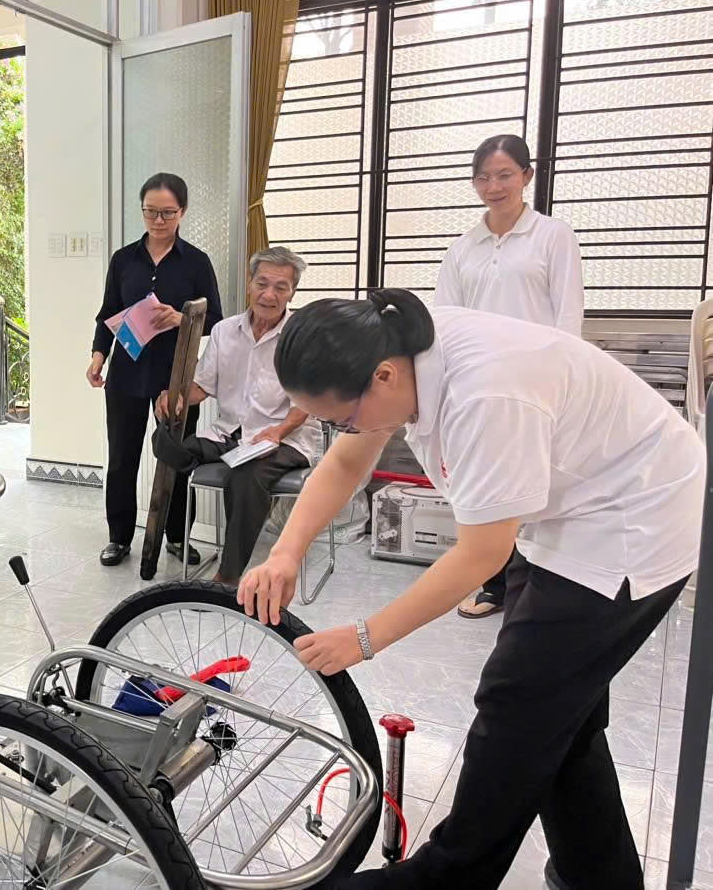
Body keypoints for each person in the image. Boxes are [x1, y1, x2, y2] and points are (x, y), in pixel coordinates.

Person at [237, 289, 701, 890]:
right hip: (572, 506)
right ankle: (600, 876)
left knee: (515, 703)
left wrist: (365, 637)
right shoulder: (393, 351)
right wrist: (285, 551)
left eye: (340, 419)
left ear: (382, 377)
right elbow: (348, 463)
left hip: (630, 523)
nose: (342, 432)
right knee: (556, 713)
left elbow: (481, 554)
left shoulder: (484, 396)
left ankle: (450, 875)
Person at [441, 134, 585, 620]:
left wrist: (564, 378)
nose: (494, 187)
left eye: (504, 175)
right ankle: (494, 586)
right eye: (483, 178)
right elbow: (447, 318)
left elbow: (568, 315)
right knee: (489, 488)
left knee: (538, 490)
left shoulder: (553, 235)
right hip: (480, 385)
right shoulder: (463, 248)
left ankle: (536, 589)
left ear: (526, 175)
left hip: (538, 383)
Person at [150, 246, 321, 583]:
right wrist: (176, 397)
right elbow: (202, 387)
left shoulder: (302, 336)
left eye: (281, 287)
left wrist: (277, 433)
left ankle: (227, 578)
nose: (269, 294)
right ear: (249, 284)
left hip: (284, 440)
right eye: (262, 283)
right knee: (165, 441)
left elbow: (307, 403)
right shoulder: (224, 331)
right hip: (230, 434)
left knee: (245, 475)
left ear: (292, 292)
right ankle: (191, 472)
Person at [89, 172, 223, 567]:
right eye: (150, 212)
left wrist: (182, 318)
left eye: (167, 213)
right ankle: (118, 537)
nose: (158, 221)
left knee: (177, 456)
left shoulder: (196, 262)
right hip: (126, 372)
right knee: (122, 457)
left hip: (175, 375)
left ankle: (177, 537)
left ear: (183, 211)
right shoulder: (123, 260)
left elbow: (216, 319)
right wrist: (98, 356)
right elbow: (107, 313)